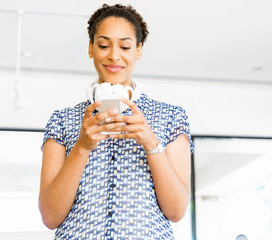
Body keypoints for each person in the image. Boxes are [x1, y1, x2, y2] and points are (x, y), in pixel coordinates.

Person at [38, 3, 193, 239]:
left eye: (125, 46)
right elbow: (50, 217)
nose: (113, 55)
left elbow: (176, 211)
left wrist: (151, 142)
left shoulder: (171, 117)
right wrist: (82, 146)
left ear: (138, 50)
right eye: (103, 45)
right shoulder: (63, 120)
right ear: (91, 48)